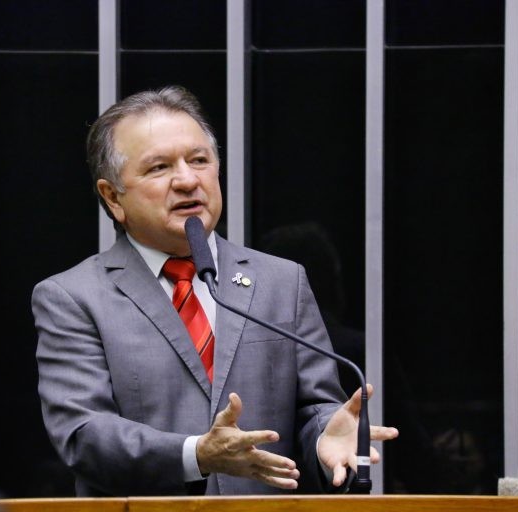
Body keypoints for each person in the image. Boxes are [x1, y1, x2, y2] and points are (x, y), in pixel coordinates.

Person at [32, 85, 398, 497]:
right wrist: (196, 455)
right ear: (112, 197)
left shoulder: (282, 281)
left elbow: (314, 407)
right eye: (159, 168)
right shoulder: (73, 297)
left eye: (200, 160)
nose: (188, 180)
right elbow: (84, 434)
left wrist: (323, 440)